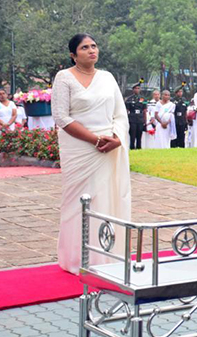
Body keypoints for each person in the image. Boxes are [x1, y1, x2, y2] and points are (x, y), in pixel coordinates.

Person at [51, 33, 131, 274]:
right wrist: (94, 139)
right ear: (73, 55)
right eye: (84, 47)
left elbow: (120, 113)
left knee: (107, 199)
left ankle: (106, 256)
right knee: (78, 202)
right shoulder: (64, 78)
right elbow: (61, 117)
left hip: (108, 147)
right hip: (80, 148)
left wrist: (117, 139)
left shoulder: (107, 78)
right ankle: (76, 259)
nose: (91, 50)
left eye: (94, 46)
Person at [125, 83, 146, 150]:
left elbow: (145, 110)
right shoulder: (129, 99)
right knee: (132, 134)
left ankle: (139, 147)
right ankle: (132, 147)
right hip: (132, 118)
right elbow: (127, 110)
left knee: (139, 133)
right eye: (136, 88)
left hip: (140, 118)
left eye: (138, 88)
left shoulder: (143, 99)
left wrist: (145, 120)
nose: (137, 90)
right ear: (133, 89)